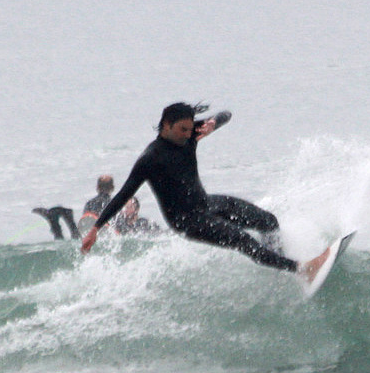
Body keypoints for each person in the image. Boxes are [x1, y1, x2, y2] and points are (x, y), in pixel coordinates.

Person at [80, 102, 333, 281]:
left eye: (190, 128)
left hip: (206, 204)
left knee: (268, 221)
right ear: (166, 125)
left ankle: (282, 267)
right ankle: (303, 269)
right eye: (182, 129)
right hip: (186, 221)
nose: (188, 134)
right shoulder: (150, 159)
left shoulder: (190, 133)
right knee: (244, 240)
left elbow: (226, 114)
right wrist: (95, 228)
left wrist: (213, 123)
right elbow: (123, 194)